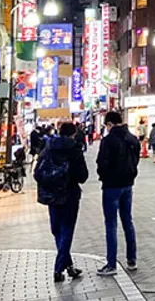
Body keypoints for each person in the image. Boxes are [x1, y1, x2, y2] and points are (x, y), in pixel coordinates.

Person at [34, 122, 89, 282]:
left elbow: (38, 172)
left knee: (57, 230)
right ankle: (58, 269)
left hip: (52, 195)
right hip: (70, 195)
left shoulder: (48, 147)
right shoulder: (75, 150)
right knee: (67, 230)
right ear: (73, 134)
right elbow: (83, 176)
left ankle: (69, 266)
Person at [96, 110, 140, 276]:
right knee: (127, 221)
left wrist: (104, 176)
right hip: (128, 184)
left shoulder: (108, 141)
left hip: (111, 186)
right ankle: (132, 260)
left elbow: (102, 163)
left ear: (109, 124)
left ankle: (111, 264)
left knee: (111, 224)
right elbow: (136, 160)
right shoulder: (132, 139)